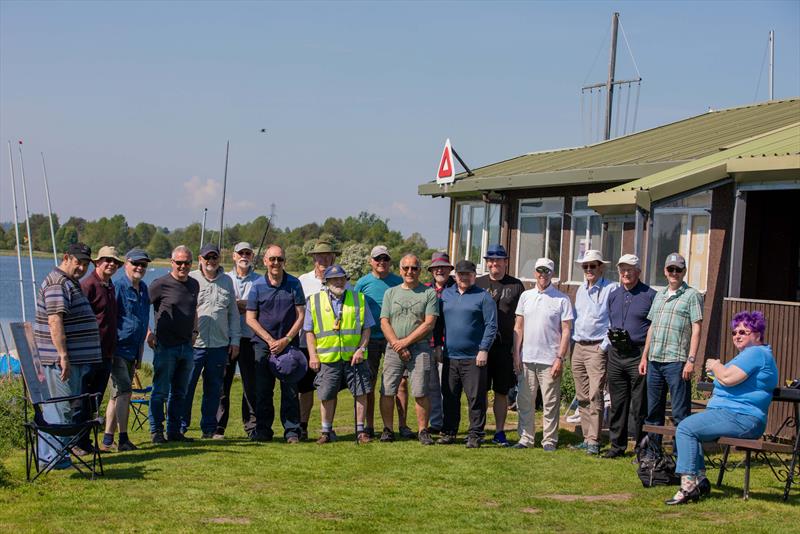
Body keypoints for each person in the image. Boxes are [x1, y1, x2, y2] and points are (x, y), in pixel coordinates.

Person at [665, 311, 778, 505]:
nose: (737, 336)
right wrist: (720, 371)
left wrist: (715, 365)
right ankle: (699, 481)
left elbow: (727, 378)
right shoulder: (749, 355)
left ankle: (689, 485)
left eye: (743, 331)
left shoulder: (756, 353)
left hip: (743, 417)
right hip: (732, 415)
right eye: (734, 332)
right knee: (690, 429)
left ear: (757, 334)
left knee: (685, 428)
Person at [32, 242, 102, 468]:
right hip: (59, 361)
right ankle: (52, 459)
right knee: (58, 408)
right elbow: (55, 320)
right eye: (78, 262)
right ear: (66, 258)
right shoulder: (57, 283)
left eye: (85, 264)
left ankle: (57, 456)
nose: (82, 268)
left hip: (70, 360)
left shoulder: (69, 282)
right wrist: (63, 355)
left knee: (64, 407)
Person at [640, 253, 703, 455]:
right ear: (665, 271)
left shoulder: (692, 296)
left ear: (684, 272)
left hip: (677, 361)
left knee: (679, 413)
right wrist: (644, 356)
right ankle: (652, 455)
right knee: (653, 411)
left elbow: (697, 329)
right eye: (671, 269)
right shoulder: (659, 295)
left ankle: (681, 456)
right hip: (655, 360)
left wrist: (691, 360)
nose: (674, 273)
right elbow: (652, 327)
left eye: (678, 269)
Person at [305, 265, 374, 444]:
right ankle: (326, 432)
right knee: (326, 394)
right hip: (328, 358)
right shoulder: (314, 301)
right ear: (326, 282)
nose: (339, 281)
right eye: (334, 279)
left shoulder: (359, 298)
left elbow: (367, 328)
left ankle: (361, 431)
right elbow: (309, 331)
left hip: (354, 357)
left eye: (342, 278)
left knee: (361, 392)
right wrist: (313, 355)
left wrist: (362, 349)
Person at [246, 244, 306, 443]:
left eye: (280, 259)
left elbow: (301, 315)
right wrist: (271, 340)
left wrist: (286, 339)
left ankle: (291, 431)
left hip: (289, 343)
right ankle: (263, 430)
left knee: (289, 390)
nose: (276, 263)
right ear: (265, 261)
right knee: (263, 390)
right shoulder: (257, 286)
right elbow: (250, 319)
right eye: (272, 259)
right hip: (263, 345)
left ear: (284, 262)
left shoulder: (294, 284)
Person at [513, 258, 573, 451]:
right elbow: (519, 327)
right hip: (527, 358)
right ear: (534, 273)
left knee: (550, 403)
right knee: (525, 401)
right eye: (539, 271)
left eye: (546, 271)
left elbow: (566, 331)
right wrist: (516, 353)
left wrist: (559, 358)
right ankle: (526, 439)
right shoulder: (525, 296)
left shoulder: (562, 299)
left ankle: (549, 440)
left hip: (550, 360)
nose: (542, 275)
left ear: (552, 274)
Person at [182, 243, 241, 438]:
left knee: (214, 389)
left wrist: (235, 341)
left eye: (214, 257)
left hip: (219, 345)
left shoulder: (226, 281)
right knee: (186, 386)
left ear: (219, 259)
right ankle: (181, 427)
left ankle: (208, 429)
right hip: (195, 345)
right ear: (200, 259)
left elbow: (233, 314)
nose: (211, 261)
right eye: (207, 257)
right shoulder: (191, 280)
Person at [379, 254, 438, 445]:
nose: (410, 272)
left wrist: (405, 342)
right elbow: (384, 321)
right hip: (393, 348)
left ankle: (423, 431)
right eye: (406, 268)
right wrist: (397, 344)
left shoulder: (428, 293)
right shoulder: (391, 293)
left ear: (420, 270)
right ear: (400, 270)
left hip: (420, 348)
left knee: (420, 391)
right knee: (387, 390)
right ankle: (388, 429)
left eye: (414, 268)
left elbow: (429, 324)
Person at [438, 260, 497, 448]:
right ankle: (449, 432)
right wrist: (437, 346)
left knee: (476, 398)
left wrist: (484, 349)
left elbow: (491, 325)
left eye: (468, 274)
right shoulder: (446, 295)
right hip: (450, 355)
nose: (464, 277)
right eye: (460, 274)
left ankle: (476, 434)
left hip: (474, 357)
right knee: (449, 396)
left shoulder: (483, 297)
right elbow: (439, 324)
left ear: (474, 276)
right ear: (455, 276)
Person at [603, 254, 656, 459]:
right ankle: (617, 446)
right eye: (623, 269)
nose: (626, 273)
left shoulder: (649, 295)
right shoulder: (614, 294)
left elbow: (652, 326)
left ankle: (641, 448)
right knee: (617, 402)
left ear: (638, 272)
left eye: (630, 269)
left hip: (638, 354)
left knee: (639, 404)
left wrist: (645, 355)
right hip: (616, 353)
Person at [147, 245, 200, 444]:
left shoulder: (194, 284)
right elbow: (141, 307)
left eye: (187, 263)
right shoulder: (160, 284)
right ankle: (156, 431)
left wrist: (195, 331)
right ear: (172, 263)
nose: (183, 266)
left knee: (180, 393)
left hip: (186, 347)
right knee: (160, 391)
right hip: (165, 346)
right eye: (179, 263)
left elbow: (193, 309)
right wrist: (148, 332)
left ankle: (175, 431)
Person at [353, 245, 408, 438]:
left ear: (390, 261)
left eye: (385, 259)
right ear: (371, 261)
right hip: (370, 339)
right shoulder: (362, 283)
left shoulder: (398, 281)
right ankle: (369, 426)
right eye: (378, 259)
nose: (381, 262)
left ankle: (402, 425)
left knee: (400, 382)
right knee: (369, 383)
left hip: (394, 339)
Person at [101, 248, 152, 452]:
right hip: (118, 349)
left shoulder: (144, 289)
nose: (139, 267)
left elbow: (142, 321)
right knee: (124, 392)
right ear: (126, 264)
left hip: (133, 350)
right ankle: (123, 439)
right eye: (136, 263)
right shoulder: (118, 287)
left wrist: (140, 352)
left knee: (116, 396)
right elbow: (110, 320)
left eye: (144, 265)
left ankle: (106, 440)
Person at [475, 244, 525, 447]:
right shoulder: (478, 283)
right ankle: (479, 430)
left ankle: (499, 431)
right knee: (480, 391)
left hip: (504, 347)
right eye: (490, 260)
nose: (494, 263)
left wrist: (517, 349)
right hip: (482, 347)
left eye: (498, 260)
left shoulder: (516, 285)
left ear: (506, 261)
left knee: (501, 392)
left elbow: (521, 319)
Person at [569, 249, 618, 455]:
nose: (589, 269)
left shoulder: (610, 289)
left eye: (592, 266)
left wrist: (604, 346)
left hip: (597, 347)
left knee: (595, 394)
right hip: (579, 345)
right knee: (581, 394)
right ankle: (586, 437)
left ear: (601, 267)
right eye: (585, 266)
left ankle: (594, 440)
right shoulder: (580, 290)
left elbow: (614, 320)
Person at [77, 245, 123, 455]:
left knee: (95, 400)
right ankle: (78, 443)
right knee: (83, 399)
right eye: (107, 260)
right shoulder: (88, 285)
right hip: (89, 354)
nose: (111, 264)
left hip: (106, 354)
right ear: (97, 262)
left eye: (115, 262)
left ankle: (86, 442)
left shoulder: (109, 285)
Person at [297, 240, 343, 440]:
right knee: (305, 387)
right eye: (320, 256)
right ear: (313, 258)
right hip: (307, 343)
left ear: (333, 257)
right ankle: (303, 425)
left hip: (332, 345)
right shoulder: (303, 281)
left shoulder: (341, 279)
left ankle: (327, 427)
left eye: (327, 255)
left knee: (330, 388)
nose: (323, 259)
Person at [216, 242, 260, 439]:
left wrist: (240, 305)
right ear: (233, 256)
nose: (244, 256)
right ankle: (218, 427)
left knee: (251, 385)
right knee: (222, 384)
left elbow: (257, 307)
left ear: (252, 256)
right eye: (240, 253)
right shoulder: (224, 279)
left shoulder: (260, 280)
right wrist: (243, 306)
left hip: (251, 339)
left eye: (247, 253)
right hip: (227, 338)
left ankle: (252, 427)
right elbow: (225, 305)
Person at [425, 251, 455, 434]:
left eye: (443, 267)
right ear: (432, 270)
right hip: (429, 344)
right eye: (436, 267)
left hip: (450, 344)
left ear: (449, 269)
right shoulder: (426, 289)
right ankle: (436, 423)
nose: (440, 270)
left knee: (449, 387)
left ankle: (449, 423)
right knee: (432, 386)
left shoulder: (456, 288)